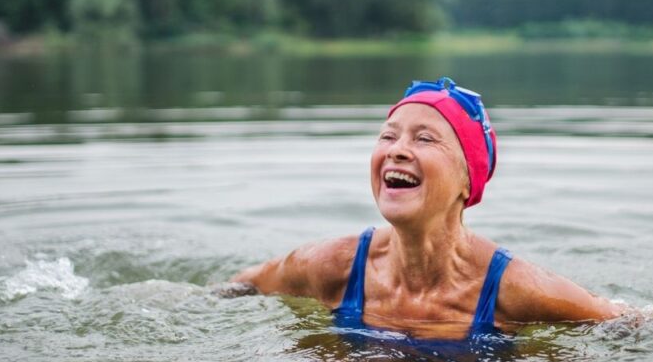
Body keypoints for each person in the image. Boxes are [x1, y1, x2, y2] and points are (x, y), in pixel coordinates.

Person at [231, 77, 631, 341]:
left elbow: (628, 322)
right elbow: (242, 286)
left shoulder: (514, 289)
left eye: (424, 139)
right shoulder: (331, 266)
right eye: (388, 136)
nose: (397, 149)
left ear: (466, 181)